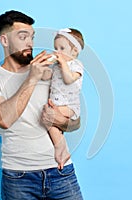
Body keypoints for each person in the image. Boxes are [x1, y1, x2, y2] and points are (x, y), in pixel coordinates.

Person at [0, 10, 83, 199]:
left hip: (61, 172)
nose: (30, 43)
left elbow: (75, 122)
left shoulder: (51, 71)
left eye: (32, 37)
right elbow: (3, 119)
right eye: (22, 36)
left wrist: (60, 120)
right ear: (4, 40)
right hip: (18, 178)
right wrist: (32, 78)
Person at [44, 28, 84, 170]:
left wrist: (63, 64)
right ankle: (61, 150)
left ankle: (61, 149)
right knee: (50, 123)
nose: (57, 52)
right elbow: (46, 79)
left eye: (62, 48)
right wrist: (44, 66)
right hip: (56, 103)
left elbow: (68, 79)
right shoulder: (56, 66)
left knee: (48, 118)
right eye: (55, 48)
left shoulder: (76, 65)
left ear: (74, 52)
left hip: (70, 106)